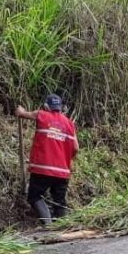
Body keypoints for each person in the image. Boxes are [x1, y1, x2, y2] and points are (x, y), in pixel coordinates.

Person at [15, 94, 79, 225]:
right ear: (61, 108)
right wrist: (66, 158)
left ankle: (48, 225)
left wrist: (20, 110)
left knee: (34, 195)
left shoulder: (42, 115)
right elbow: (76, 148)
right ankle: (62, 227)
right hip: (62, 171)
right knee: (59, 201)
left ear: (46, 106)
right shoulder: (69, 124)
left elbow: (22, 114)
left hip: (43, 168)